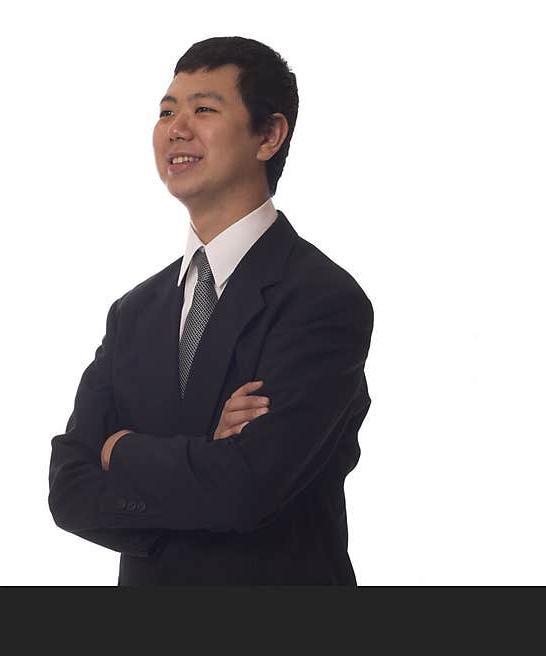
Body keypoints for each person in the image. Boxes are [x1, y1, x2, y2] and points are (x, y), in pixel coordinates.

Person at [47, 36, 374, 585]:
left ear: (268, 135)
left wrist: (120, 449)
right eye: (166, 111)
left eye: (203, 109)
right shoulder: (134, 312)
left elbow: (247, 490)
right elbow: (68, 488)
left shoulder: (323, 300)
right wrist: (205, 451)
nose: (176, 127)